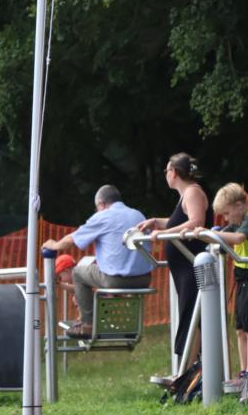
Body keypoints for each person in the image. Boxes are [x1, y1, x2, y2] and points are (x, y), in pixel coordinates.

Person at [135, 153, 213, 371]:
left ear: (174, 173)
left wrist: (165, 233)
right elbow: (180, 221)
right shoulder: (185, 195)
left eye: (166, 170)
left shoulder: (193, 192)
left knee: (192, 315)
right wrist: (157, 223)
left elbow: (196, 221)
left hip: (192, 264)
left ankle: (187, 370)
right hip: (183, 267)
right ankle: (191, 370)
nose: (165, 175)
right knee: (190, 314)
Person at [42, 185, 152, 337]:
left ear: (101, 204)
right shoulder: (138, 215)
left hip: (116, 280)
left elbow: (72, 239)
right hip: (144, 279)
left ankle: (87, 324)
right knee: (106, 275)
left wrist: (54, 245)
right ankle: (125, 323)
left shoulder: (103, 216)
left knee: (78, 273)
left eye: (96, 208)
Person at [195, 183, 248, 384]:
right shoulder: (236, 222)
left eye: (227, 213)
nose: (226, 219)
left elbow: (239, 237)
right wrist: (205, 235)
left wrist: (210, 233)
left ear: (240, 205)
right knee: (240, 328)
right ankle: (244, 370)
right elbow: (223, 240)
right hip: (240, 279)